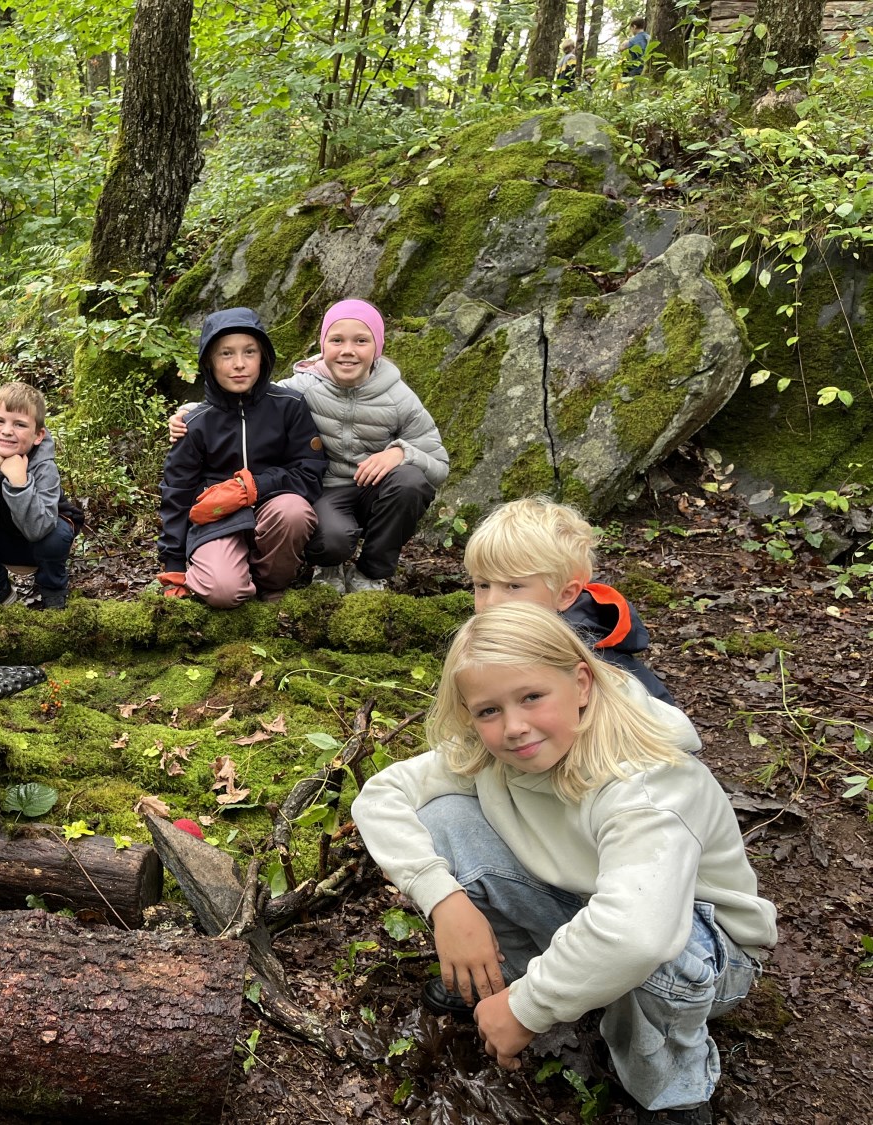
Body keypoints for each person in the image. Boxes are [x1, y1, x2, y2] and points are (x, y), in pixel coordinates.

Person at [352, 603, 776, 1125]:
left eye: (532, 697)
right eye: (488, 711)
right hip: (591, 909)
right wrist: (445, 901)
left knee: (650, 942)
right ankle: (506, 981)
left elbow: (638, 934)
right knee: (443, 817)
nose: (514, 727)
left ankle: (673, 1092)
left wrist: (528, 1009)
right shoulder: (496, 753)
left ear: (580, 683)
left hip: (704, 951)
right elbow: (381, 797)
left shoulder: (648, 781)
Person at [170, 299, 446, 594]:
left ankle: (370, 572)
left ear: (377, 346)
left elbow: (438, 463)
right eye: (337, 340)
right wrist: (190, 413)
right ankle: (328, 566)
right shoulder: (303, 386)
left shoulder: (399, 396)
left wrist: (400, 452)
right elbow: (250, 396)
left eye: (361, 341)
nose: (348, 350)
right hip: (325, 493)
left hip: (376, 490)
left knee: (410, 481)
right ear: (323, 344)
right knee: (331, 537)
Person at [158, 308, 327, 608]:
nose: (239, 364)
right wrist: (173, 564)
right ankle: (229, 574)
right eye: (226, 354)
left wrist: (254, 487)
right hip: (217, 521)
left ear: (263, 357)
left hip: (273, 513)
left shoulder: (289, 406)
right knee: (223, 592)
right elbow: (177, 492)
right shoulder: (193, 423)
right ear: (209, 361)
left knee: (294, 512)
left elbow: (309, 472)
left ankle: (271, 585)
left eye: (249, 352)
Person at [464, 496, 675, 703]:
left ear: (565, 595)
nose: (491, 602)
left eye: (513, 586)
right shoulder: (495, 644)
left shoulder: (589, 663)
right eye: (483, 585)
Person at [0, 381, 80, 609]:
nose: (6, 431)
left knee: (57, 535)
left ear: (38, 435)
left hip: (37, 540)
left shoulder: (45, 467)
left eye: (20, 424)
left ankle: (53, 589)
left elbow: (39, 529)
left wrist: (19, 483)